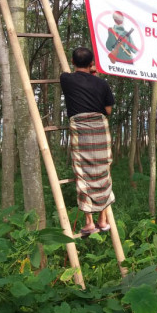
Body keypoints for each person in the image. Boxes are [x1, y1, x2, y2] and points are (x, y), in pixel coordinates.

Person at [60, 47, 115, 236]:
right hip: (100, 128)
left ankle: (89, 222)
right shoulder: (102, 84)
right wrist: (94, 74)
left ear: (72, 62)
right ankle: (102, 219)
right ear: (92, 63)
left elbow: (73, 74)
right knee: (103, 171)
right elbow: (108, 111)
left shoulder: (66, 79)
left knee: (83, 173)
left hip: (80, 129)